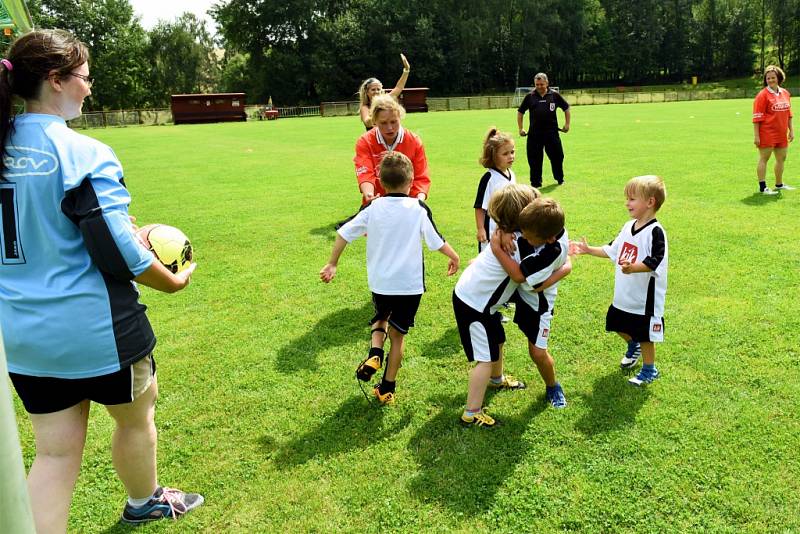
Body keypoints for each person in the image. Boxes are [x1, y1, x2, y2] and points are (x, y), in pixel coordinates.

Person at [0, 30, 203, 532]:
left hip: (25, 337)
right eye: (86, 78)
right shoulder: (82, 152)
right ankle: (144, 501)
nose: (90, 89)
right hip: (98, 329)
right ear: (56, 80)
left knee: (53, 455)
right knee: (137, 417)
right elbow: (119, 253)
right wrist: (172, 283)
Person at [321, 152, 459, 405]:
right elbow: (436, 241)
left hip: (382, 282)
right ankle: (387, 388)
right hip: (409, 285)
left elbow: (343, 234)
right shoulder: (418, 209)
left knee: (380, 318)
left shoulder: (373, 207)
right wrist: (454, 256)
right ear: (412, 181)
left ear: (381, 183)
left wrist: (332, 263)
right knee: (398, 337)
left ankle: (375, 353)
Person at [453, 184, 538, 428]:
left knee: (497, 339)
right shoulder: (515, 242)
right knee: (485, 358)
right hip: (473, 305)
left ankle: (497, 379)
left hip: (481, 303)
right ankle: (472, 411)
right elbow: (520, 276)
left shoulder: (509, 234)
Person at [571, 175, 668, 386]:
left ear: (650, 202)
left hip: (645, 299)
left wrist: (634, 268)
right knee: (615, 322)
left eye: (632, 198)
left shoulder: (656, 232)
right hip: (624, 294)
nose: (627, 203)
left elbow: (655, 260)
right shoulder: (628, 226)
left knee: (645, 335)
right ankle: (633, 346)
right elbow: (612, 250)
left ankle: (650, 370)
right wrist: (588, 250)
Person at [491, 198, 571, 408]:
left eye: (528, 236)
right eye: (520, 230)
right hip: (517, 292)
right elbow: (508, 210)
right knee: (491, 324)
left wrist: (496, 248)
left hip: (537, 302)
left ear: (550, 239)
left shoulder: (551, 253)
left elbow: (521, 278)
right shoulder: (541, 220)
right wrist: (505, 230)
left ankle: (553, 386)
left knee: (537, 352)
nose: (522, 237)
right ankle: (495, 377)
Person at [354, 94, 431, 205]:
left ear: (400, 117)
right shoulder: (365, 142)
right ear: (374, 121)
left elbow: (421, 176)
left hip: (408, 205)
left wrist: (418, 201)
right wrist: (369, 194)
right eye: (383, 123)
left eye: (394, 121)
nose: (389, 128)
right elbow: (364, 172)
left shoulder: (414, 141)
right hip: (376, 203)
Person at [517, 73, 571, 188]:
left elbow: (566, 108)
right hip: (534, 135)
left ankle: (560, 179)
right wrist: (521, 128)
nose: (539, 86)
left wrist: (567, 124)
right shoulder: (530, 96)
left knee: (557, 156)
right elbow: (520, 112)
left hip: (551, 133)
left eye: (541, 84)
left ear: (547, 83)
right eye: (537, 84)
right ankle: (536, 183)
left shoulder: (555, 95)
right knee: (534, 159)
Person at [753, 65, 794, 195]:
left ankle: (779, 184)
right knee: (764, 158)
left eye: (773, 77)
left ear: (779, 78)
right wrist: (757, 136)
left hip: (781, 133)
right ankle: (763, 187)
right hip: (767, 133)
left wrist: (791, 130)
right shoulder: (762, 95)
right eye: (768, 78)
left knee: (781, 159)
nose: (771, 80)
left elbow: (789, 114)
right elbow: (756, 118)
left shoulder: (785, 93)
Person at [474, 127, 516, 253]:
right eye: (505, 154)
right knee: (488, 263)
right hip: (491, 232)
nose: (511, 156)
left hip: (507, 229)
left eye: (512, 152)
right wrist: (481, 229)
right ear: (494, 156)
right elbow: (480, 207)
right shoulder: (489, 178)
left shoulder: (512, 174)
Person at [358, 53, 410, 130]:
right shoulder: (365, 107)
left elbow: (399, 87)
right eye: (373, 89)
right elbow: (367, 122)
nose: (376, 92)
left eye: (378, 89)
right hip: (374, 139)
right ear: (367, 92)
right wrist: (378, 114)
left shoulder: (386, 100)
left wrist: (406, 70)